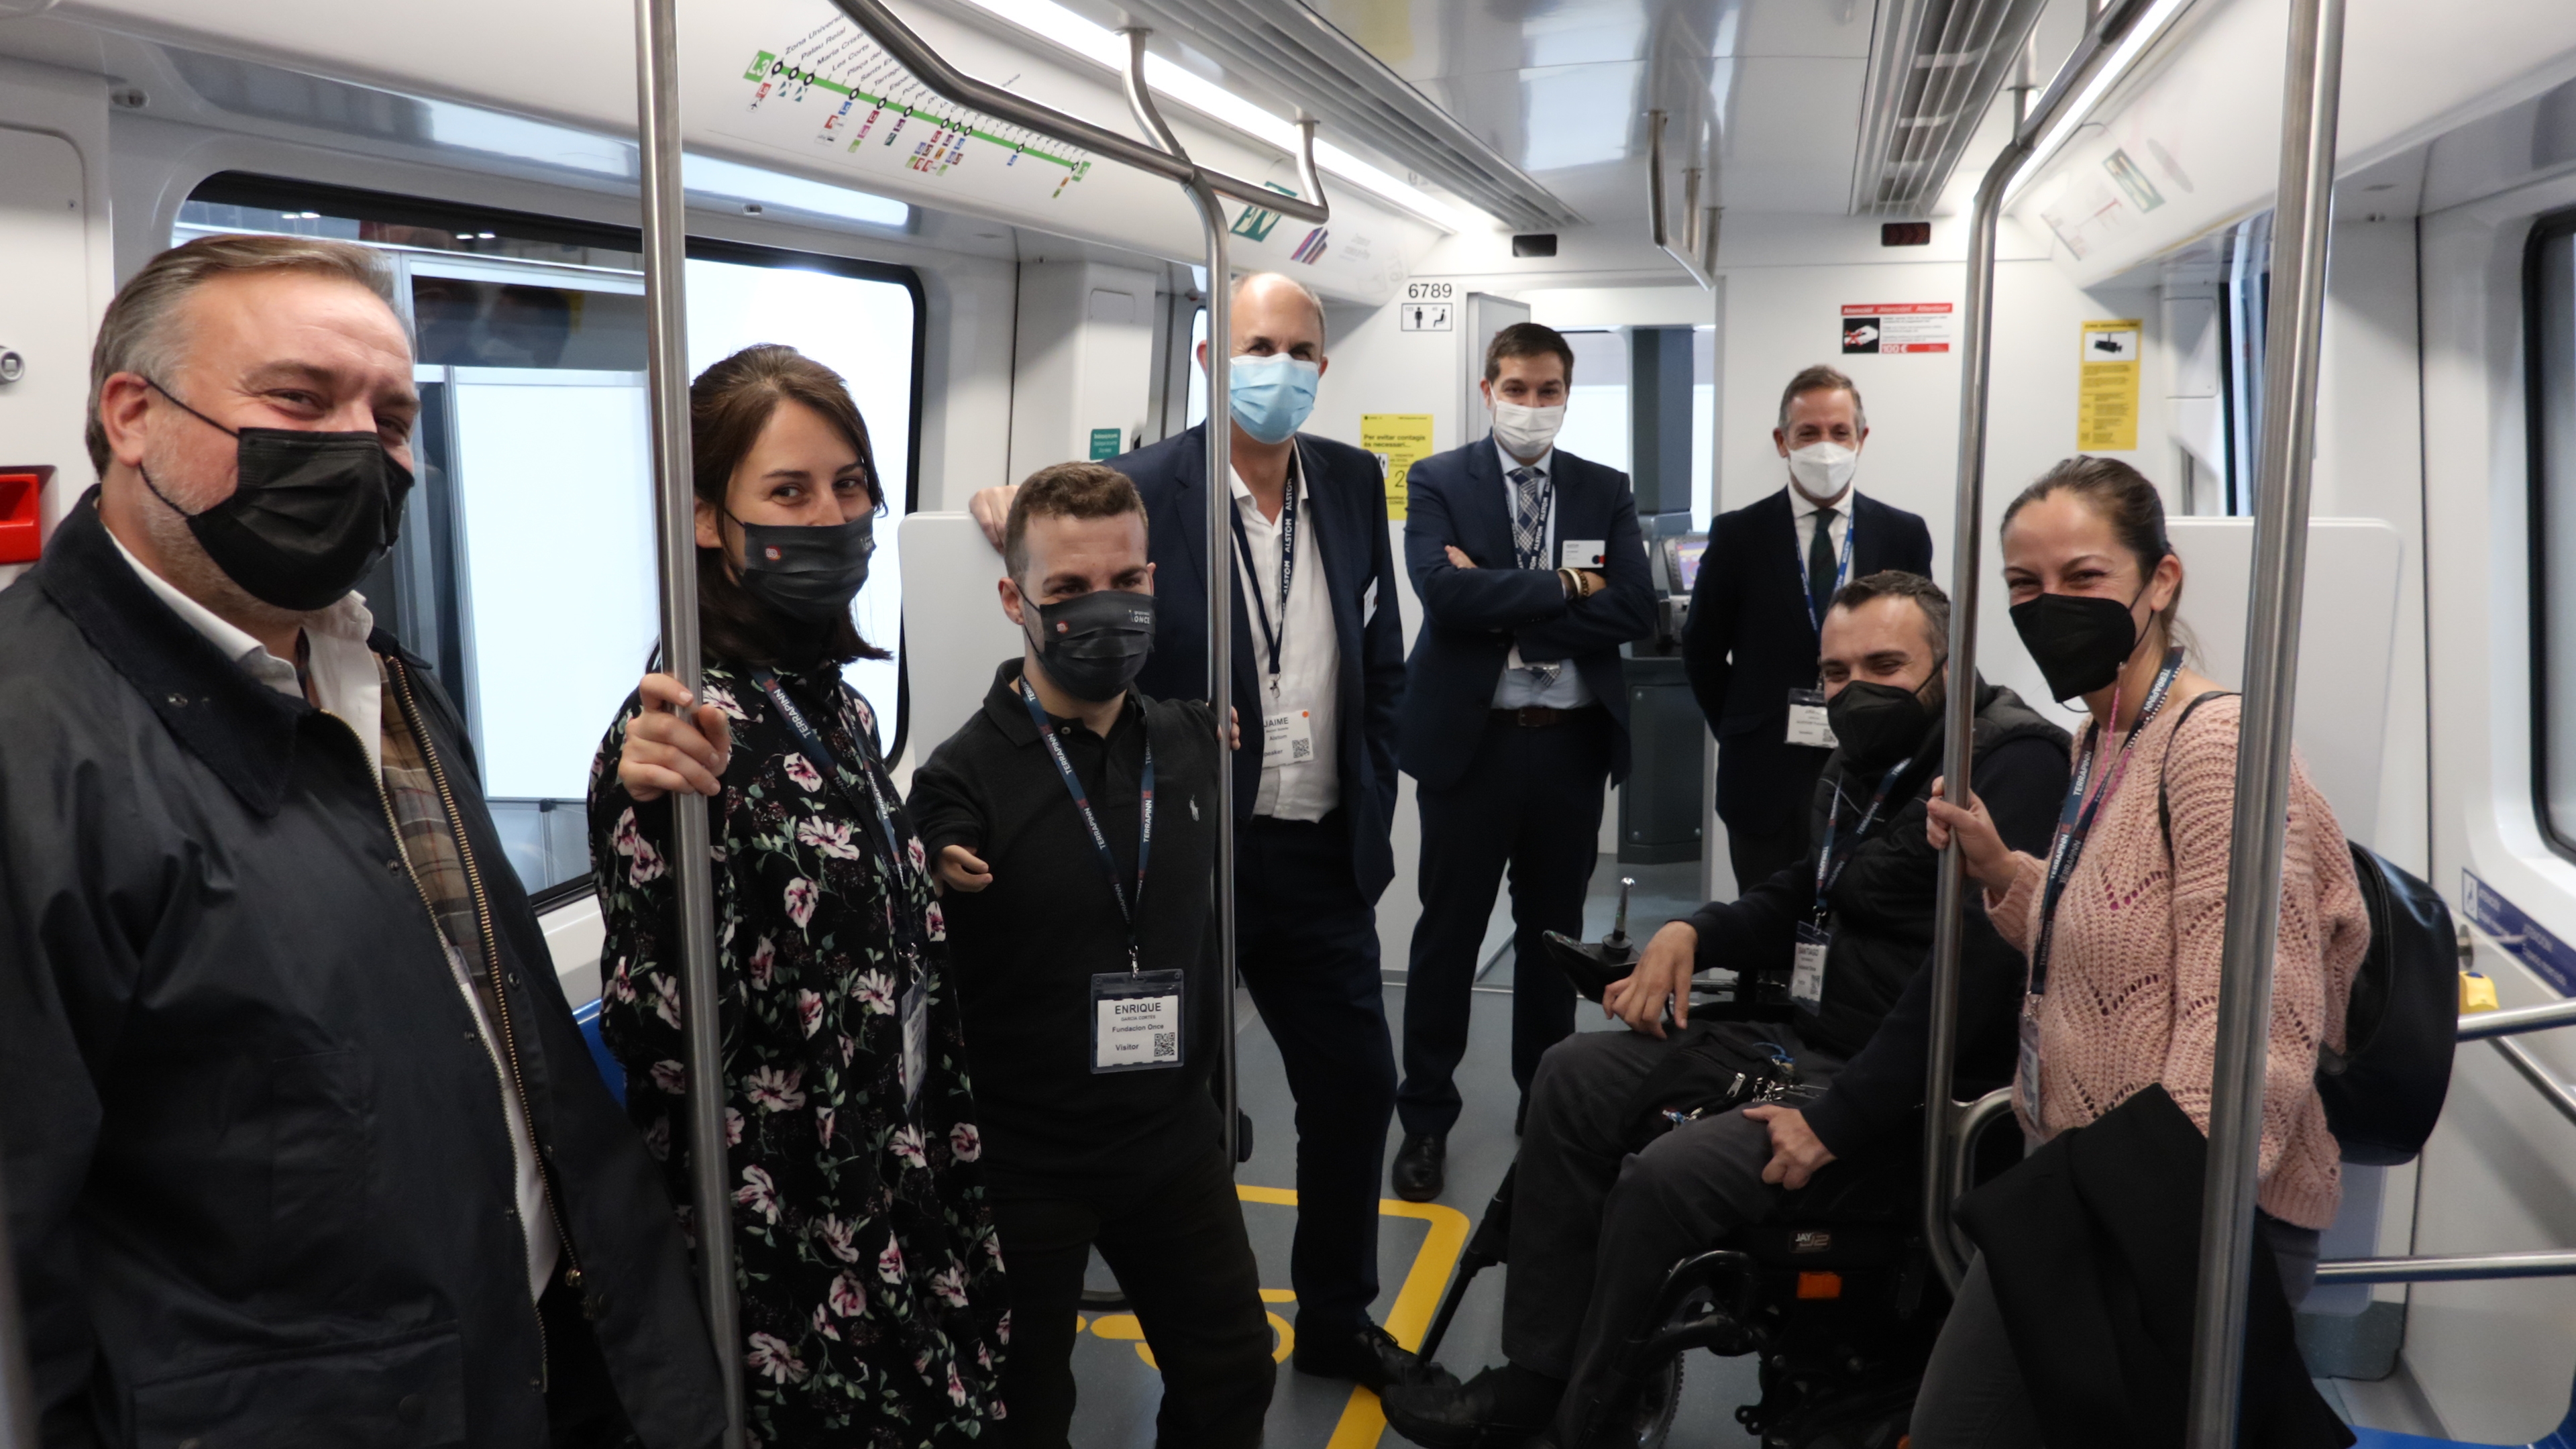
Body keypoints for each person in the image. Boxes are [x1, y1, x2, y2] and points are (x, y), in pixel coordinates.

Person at [0, 233, 722, 1446]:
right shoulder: (36, 752)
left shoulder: (375, 671)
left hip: (533, 1353)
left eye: (390, 419)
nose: (357, 449)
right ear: (131, 414)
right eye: (296, 398)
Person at [1382, 571, 2070, 1448]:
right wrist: (1690, 933)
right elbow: (1803, 892)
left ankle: (1584, 1422)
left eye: (1885, 665)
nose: (1855, 691)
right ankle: (1538, 1375)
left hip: (1898, 1088)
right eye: (1835, 673)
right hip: (1808, 1033)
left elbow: (1973, 970)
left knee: (1664, 1177)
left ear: (1948, 664)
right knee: (1572, 1075)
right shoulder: (1868, 758)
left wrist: (1835, 1118)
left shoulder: (2013, 762)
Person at [967, 272, 1413, 1389]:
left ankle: (1336, 1312)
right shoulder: (1143, 486)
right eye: (1257, 345)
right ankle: (1199, 1328)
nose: (1280, 368)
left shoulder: (1355, 485)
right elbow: (1080, 603)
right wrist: (1004, 518)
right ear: (1215, 358)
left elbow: (1382, 651)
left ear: (1323, 367)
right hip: (1184, 859)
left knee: (1356, 1086)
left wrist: (1378, 767)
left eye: (1300, 351)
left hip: (1319, 850)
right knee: (1187, 1106)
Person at [1910, 456, 2369, 1446]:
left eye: (2083, 579)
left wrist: (2143, 1217)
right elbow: (2118, 954)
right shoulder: (2103, 738)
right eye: (2025, 588)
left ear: (2160, 582)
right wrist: (2005, 874)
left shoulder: (2212, 748)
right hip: (2087, 1183)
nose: (2050, 609)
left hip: (2173, 1213)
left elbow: (2256, 1031)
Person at [592, 345, 1004, 1446]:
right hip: (789, 1221)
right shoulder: (682, 737)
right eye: (788, 492)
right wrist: (660, 822)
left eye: (850, 484)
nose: (831, 518)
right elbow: (660, 1031)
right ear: (707, 522)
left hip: (900, 1163)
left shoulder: (844, 714)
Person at [910, 463, 1274, 1448]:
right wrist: (936, 866)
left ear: (1154, 583)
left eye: (1126, 583)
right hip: (1023, 1159)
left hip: (1169, 1138)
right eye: (1068, 592)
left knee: (1233, 1373)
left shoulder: (1195, 742)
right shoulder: (959, 779)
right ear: (1013, 599)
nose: (1101, 610)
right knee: (1025, 1411)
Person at [1390, 321, 1658, 1205]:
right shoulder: (1436, 480)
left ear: (1567, 396)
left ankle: (1544, 1105)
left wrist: (1503, 603)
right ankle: (1425, 1117)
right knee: (1447, 938)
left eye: (1549, 391)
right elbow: (1440, 589)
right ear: (1487, 389)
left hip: (1570, 747)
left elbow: (1633, 609)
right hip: (1473, 752)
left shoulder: (1602, 488)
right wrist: (1567, 590)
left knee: (1552, 942)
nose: (1532, 406)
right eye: (1517, 388)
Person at [1685, 364, 1935, 892]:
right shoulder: (1738, 535)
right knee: (1765, 930)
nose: (1826, 446)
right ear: (1783, 441)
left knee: (1860, 930)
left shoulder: (1903, 534)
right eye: (1809, 433)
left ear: (1861, 438)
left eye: (1839, 432)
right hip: (1763, 774)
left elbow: (1925, 653)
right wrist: (1742, 727)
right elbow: (1702, 651)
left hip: (1875, 770)